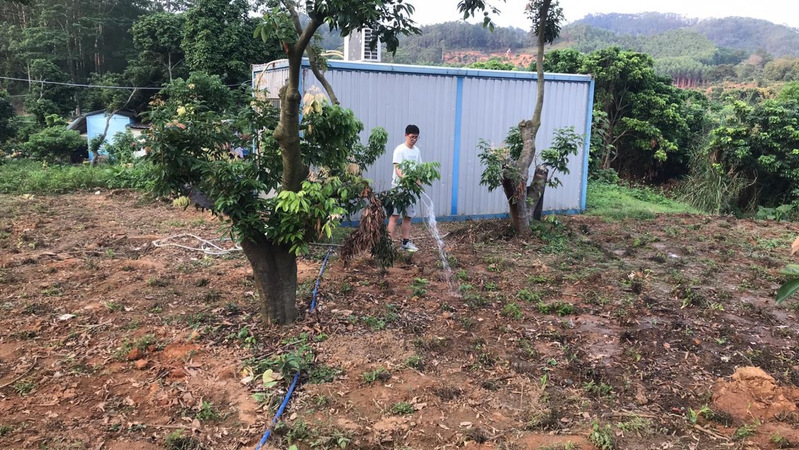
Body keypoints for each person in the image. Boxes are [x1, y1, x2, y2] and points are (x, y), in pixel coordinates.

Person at [388, 124, 422, 252]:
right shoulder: (400, 150)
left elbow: (418, 169)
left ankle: (406, 243)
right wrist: (406, 179)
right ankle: (390, 244)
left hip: (411, 190)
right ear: (406, 135)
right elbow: (398, 170)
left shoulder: (417, 151)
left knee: (408, 216)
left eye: (416, 137)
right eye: (412, 137)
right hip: (399, 188)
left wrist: (418, 182)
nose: (414, 139)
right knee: (395, 215)